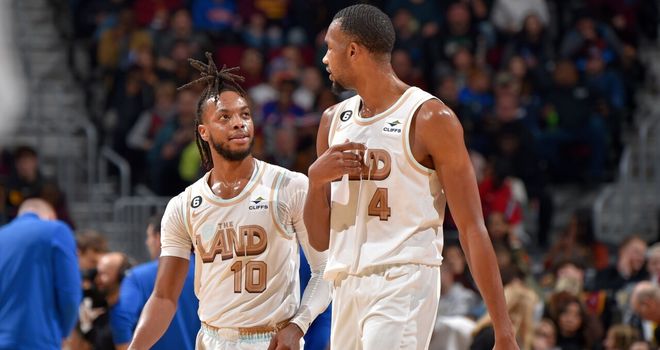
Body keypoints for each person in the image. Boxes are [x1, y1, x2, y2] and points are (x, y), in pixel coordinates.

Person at [304, 4, 517, 349]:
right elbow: (318, 241)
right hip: (344, 283)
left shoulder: (430, 117)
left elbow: (471, 226)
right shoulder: (333, 121)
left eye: (330, 47)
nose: (325, 58)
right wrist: (315, 182)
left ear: (354, 50)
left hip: (402, 279)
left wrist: (503, 328)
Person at [128, 52, 332, 350]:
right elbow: (163, 297)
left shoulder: (289, 185)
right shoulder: (183, 205)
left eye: (245, 114)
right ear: (203, 131)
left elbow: (324, 270)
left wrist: (298, 326)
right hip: (211, 339)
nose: (239, 123)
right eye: (225, 117)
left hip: (271, 339)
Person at [0, 198, 81, 349]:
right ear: (50, 217)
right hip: (38, 341)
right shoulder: (56, 230)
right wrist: (65, 332)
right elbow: (70, 292)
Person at [110, 213, 199, 349]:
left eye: (148, 236)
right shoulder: (208, 271)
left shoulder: (137, 276)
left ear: (159, 238)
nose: (147, 242)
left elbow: (122, 318)